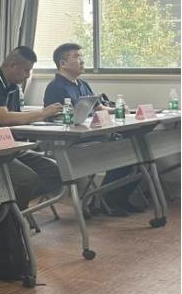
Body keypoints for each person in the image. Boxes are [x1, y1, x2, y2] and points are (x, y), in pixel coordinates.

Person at [43, 43, 138, 215]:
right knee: (124, 149)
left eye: (82, 56)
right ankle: (107, 201)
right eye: (77, 57)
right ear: (63, 63)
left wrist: (118, 109)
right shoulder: (55, 87)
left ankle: (117, 200)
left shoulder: (82, 84)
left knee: (134, 145)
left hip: (93, 135)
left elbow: (98, 108)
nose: (82, 61)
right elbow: (54, 119)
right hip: (73, 143)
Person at [0, 46, 62, 208]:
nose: (28, 76)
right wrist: (42, 113)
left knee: (54, 171)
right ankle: (7, 213)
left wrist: (44, 117)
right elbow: (5, 118)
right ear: (12, 65)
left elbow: (17, 118)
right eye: (26, 70)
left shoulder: (13, 87)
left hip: (10, 146)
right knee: (27, 179)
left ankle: (12, 206)